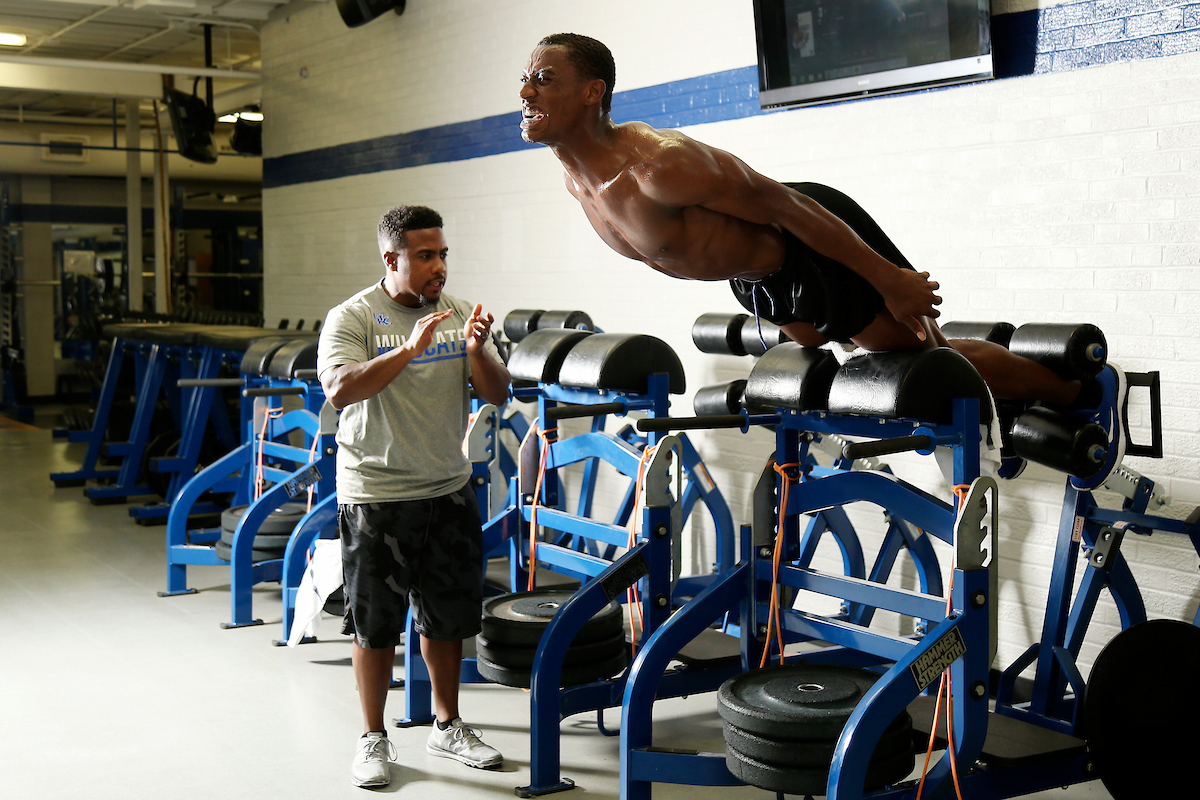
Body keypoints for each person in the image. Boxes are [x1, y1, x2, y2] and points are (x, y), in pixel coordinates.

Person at [518, 32, 1126, 487]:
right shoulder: (579, 183)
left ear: (593, 92)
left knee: (916, 359)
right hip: (760, 279)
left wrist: (890, 282)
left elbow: (786, 205)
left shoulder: (660, 164)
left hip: (807, 249)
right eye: (526, 79)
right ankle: (1011, 402)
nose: (526, 92)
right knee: (848, 353)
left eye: (543, 78)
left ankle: (1080, 390)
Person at [317, 205, 511, 788]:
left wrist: (477, 351)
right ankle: (374, 737)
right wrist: (408, 349)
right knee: (373, 624)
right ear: (391, 259)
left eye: (443, 254)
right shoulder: (352, 316)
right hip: (376, 492)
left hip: (447, 487)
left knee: (448, 618)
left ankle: (446, 724)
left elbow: (498, 393)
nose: (439, 267)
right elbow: (342, 389)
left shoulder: (458, 312)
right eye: (426, 256)